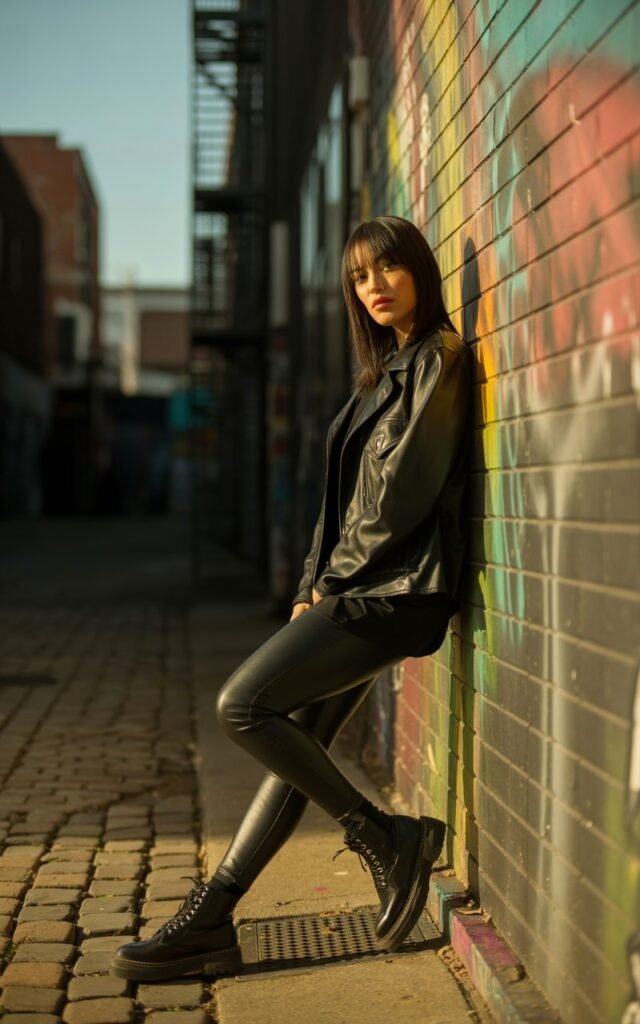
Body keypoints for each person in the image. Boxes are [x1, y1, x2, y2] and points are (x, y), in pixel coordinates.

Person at [110, 215, 473, 983]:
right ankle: (210, 921)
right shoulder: (385, 372)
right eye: (358, 278)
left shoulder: (440, 358)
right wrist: (315, 586)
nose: (372, 287)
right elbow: (338, 505)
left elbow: (402, 495)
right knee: (292, 754)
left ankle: (385, 838)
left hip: (395, 595)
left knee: (242, 706)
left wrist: (333, 584)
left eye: (385, 269)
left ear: (419, 269)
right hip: (358, 588)